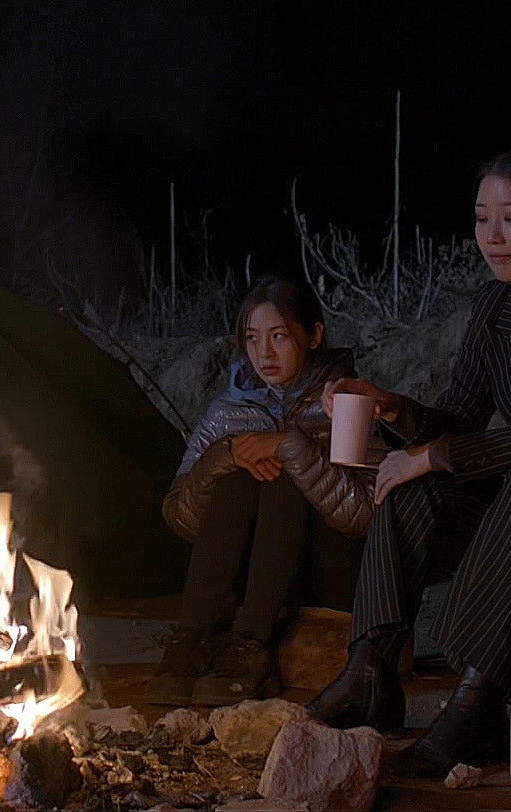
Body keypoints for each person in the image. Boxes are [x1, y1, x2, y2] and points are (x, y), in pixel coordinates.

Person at [307, 151, 511, 776]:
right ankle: (370, 673)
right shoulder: (496, 307)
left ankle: (477, 705)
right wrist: (393, 408)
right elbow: (461, 417)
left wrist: (435, 454)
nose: (492, 237)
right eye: (482, 219)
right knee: (412, 485)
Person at [151, 276, 373, 706]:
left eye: (279, 336)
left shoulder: (344, 402)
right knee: (236, 475)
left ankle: (251, 648)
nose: (265, 353)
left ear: (314, 336)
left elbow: (365, 515)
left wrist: (291, 448)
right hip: (253, 575)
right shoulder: (228, 411)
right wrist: (225, 457)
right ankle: (191, 639)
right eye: (253, 339)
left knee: (283, 477)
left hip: (327, 572)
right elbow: (179, 516)